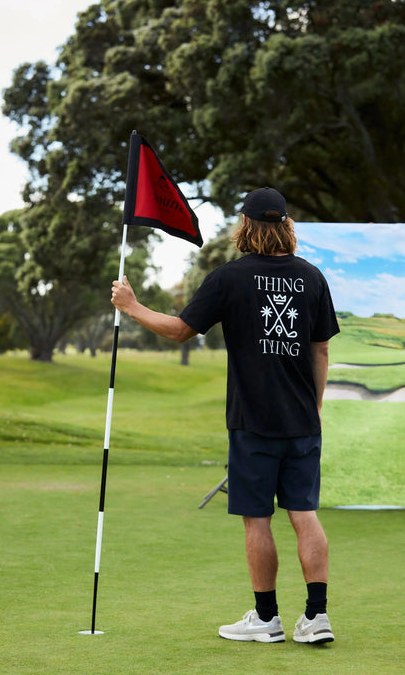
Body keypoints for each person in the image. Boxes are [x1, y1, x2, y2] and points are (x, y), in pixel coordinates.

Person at [111, 187, 340, 645]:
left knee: (257, 519)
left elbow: (179, 331)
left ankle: (266, 619)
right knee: (304, 513)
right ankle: (317, 617)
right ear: (286, 226)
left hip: (252, 423)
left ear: (246, 226)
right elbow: (320, 349)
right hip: (301, 423)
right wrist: (313, 408)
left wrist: (132, 307)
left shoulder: (229, 278)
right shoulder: (312, 278)